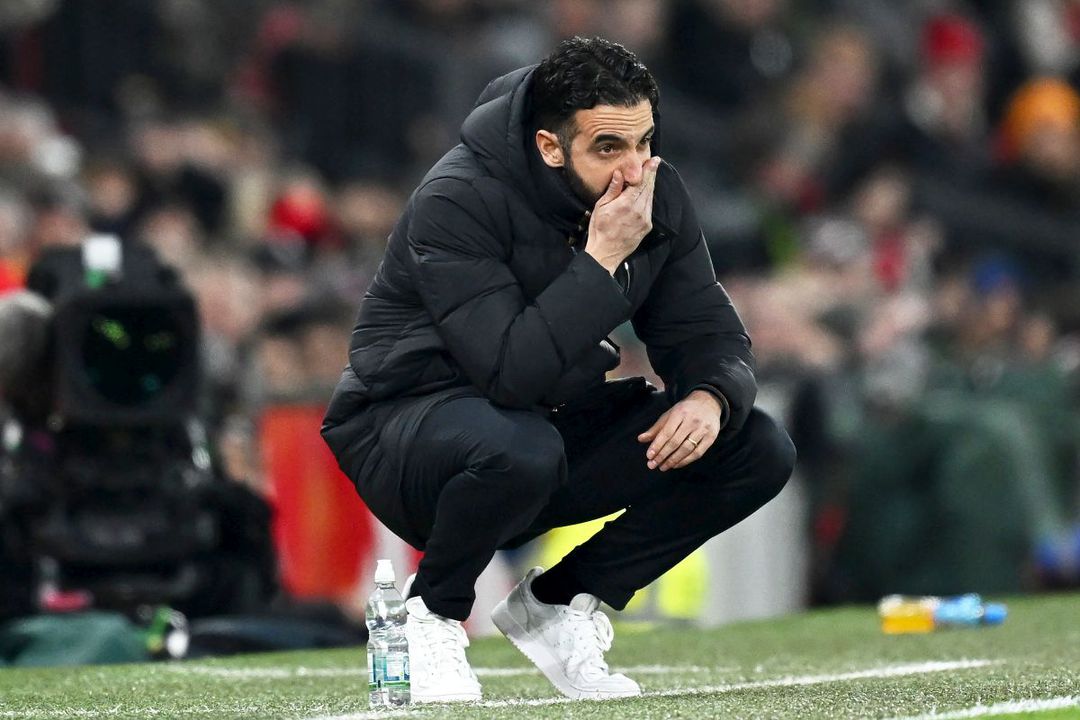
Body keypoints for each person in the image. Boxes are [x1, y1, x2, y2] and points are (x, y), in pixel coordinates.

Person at [322, 36, 796, 703]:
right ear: (549, 146)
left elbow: (706, 329)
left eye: (644, 142)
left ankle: (558, 603)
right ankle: (430, 614)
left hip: (535, 426)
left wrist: (710, 396)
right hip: (405, 435)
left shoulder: (653, 191)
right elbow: (507, 372)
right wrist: (600, 262)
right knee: (522, 447)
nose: (634, 169)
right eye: (608, 148)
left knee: (756, 445)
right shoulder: (457, 199)